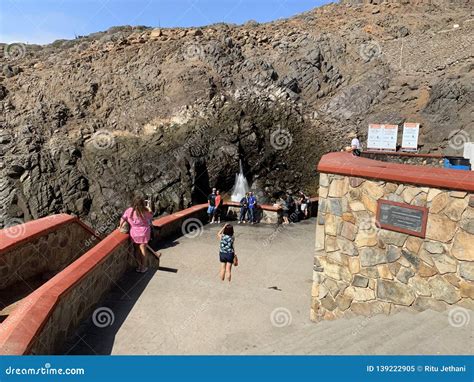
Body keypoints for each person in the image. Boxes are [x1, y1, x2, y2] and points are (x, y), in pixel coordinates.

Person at [119, 196, 153, 273]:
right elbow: (151, 217)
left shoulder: (129, 211)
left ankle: (139, 266)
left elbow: (122, 219)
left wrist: (120, 226)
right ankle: (143, 267)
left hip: (134, 233)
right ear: (142, 203)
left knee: (136, 250)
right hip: (144, 232)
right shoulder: (145, 210)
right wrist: (150, 209)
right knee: (143, 250)